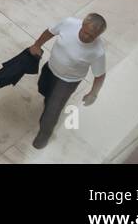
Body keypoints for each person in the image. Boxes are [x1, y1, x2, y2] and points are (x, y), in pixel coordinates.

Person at [27, 14, 108, 149]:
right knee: (44, 90)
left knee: (52, 110)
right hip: (51, 68)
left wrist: (94, 93)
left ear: (98, 35)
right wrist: (37, 45)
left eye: (92, 36)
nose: (86, 37)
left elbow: (99, 75)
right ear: (81, 25)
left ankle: (44, 135)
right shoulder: (69, 23)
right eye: (85, 32)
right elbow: (49, 32)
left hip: (67, 81)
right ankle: (49, 103)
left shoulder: (98, 51)